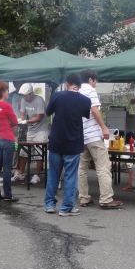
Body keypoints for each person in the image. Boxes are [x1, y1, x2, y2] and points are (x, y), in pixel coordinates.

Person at [44, 74, 92, 216]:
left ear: (66, 83)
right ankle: (66, 208)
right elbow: (85, 114)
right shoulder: (85, 100)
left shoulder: (57, 96)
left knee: (53, 174)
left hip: (56, 142)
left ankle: (49, 205)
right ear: (80, 86)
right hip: (73, 142)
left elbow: (47, 113)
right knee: (71, 176)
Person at [78, 69, 123, 209]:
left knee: (81, 168)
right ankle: (106, 198)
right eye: (95, 81)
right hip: (93, 135)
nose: (95, 84)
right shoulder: (90, 90)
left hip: (80, 135)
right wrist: (104, 128)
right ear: (91, 80)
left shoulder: (76, 91)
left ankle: (84, 198)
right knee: (103, 166)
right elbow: (95, 110)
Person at [11, 83, 49, 185]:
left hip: (41, 129)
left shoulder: (39, 100)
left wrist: (26, 121)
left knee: (39, 151)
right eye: (22, 95)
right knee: (24, 151)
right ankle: (21, 173)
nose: (23, 97)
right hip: (31, 129)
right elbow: (22, 114)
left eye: (25, 95)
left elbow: (39, 117)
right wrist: (20, 119)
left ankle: (37, 175)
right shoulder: (24, 100)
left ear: (31, 93)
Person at [0, 80, 19, 202]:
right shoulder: (6, 105)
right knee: (7, 168)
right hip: (7, 138)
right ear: (2, 92)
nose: (7, 93)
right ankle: (7, 194)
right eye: (6, 90)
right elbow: (15, 122)